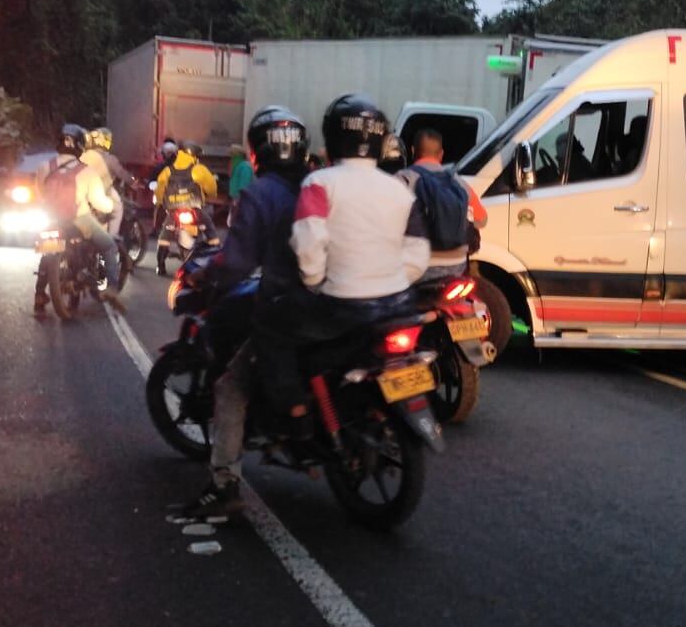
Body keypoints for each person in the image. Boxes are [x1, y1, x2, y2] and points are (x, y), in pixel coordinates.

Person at [248, 94, 430, 440]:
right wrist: (389, 279)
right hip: (398, 305)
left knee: (269, 324)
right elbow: (417, 253)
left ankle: (295, 406)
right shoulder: (400, 190)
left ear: (332, 137)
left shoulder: (319, 183)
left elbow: (308, 240)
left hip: (341, 307)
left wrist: (315, 280)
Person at [182, 107, 310, 517]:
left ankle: (223, 486)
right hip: (339, 302)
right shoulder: (317, 186)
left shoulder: (261, 193)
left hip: (285, 304)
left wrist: (207, 276)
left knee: (230, 387)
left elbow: (236, 262)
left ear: (257, 153)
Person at [34, 124, 125, 315]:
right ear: (80, 145)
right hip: (79, 220)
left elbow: (40, 192)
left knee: (48, 250)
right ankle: (112, 289)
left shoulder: (44, 167)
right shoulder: (87, 171)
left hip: (51, 218)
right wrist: (110, 206)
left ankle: (40, 294)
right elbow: (100, 203)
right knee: (109, 246)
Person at [398, 127, 487, 282]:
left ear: (413, 151)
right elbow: (481, 220)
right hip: (456, 264)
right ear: (441, 154)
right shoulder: (458, 183)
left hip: (417, 265)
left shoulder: (403, 179)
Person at [154, 140, 219, 276]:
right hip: (194, 209)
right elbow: (211, 187)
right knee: (210, 229)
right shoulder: (198, 169)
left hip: (174, 210)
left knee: (164, 236)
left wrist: (160, 201)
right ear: (194, 155)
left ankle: (160, 266)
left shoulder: (168, 170)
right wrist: (210, 195)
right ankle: (216, 259)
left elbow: (160, 188)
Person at [81, 127, 132, 238]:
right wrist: (133, 180)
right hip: (102, 192)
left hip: (81, 193)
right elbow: (121, 173)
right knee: (118, 207)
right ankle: (112, 236)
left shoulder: (82, 156)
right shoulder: (109, 159)